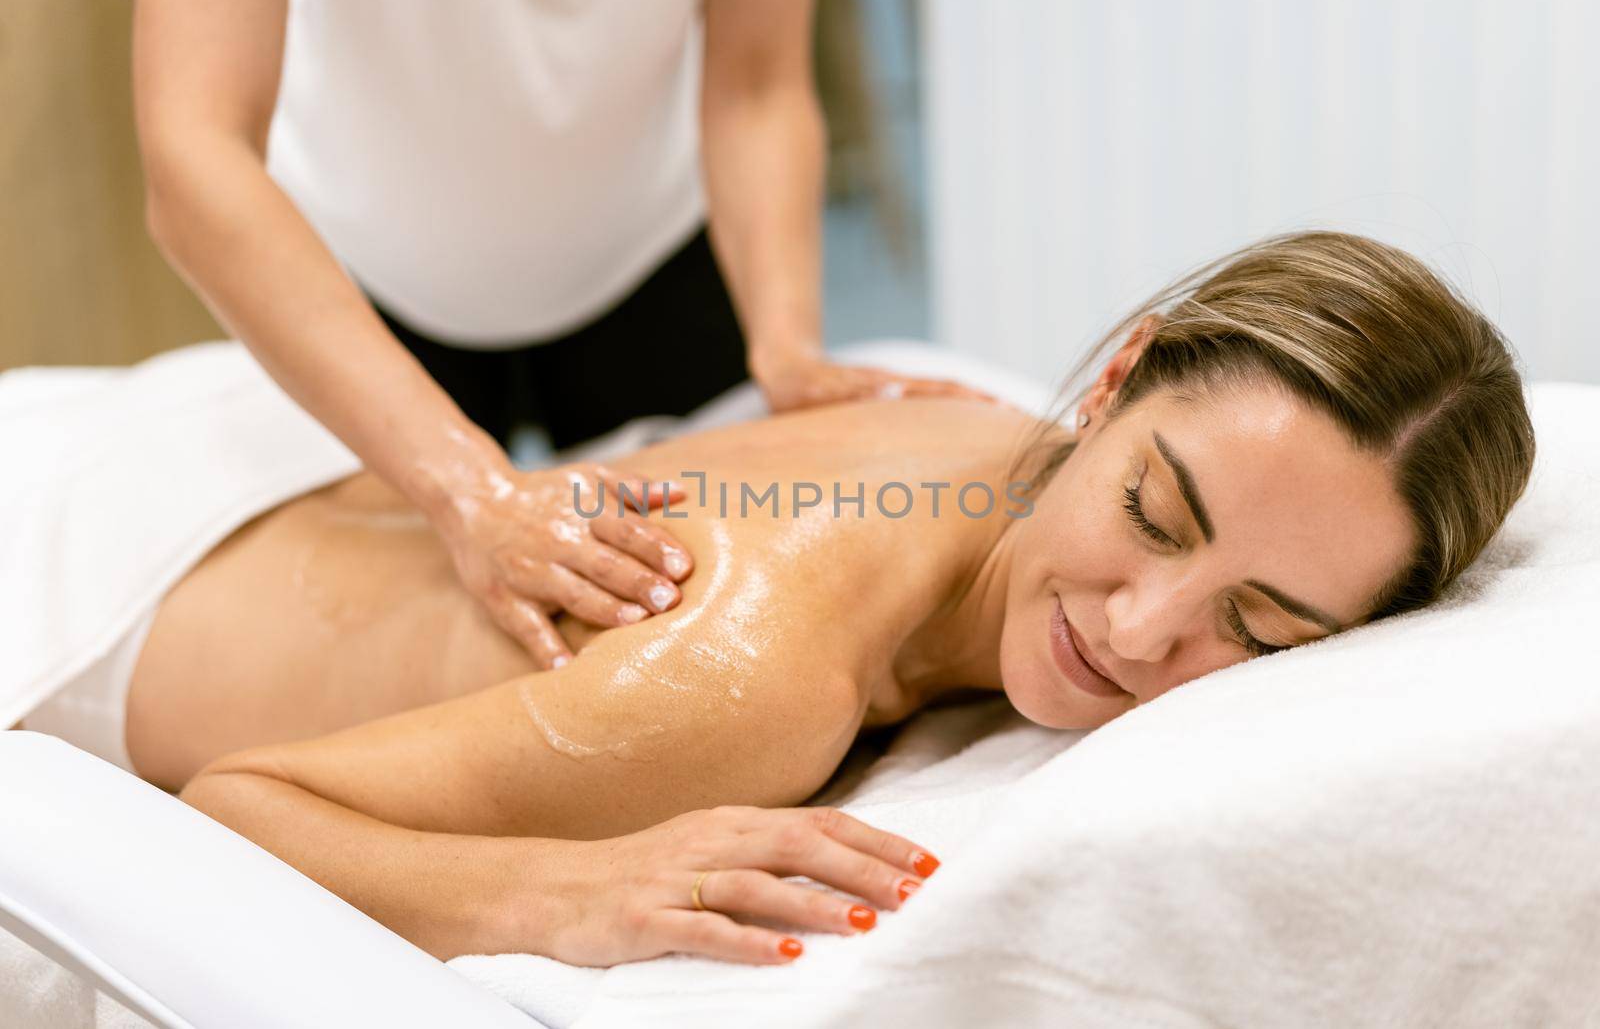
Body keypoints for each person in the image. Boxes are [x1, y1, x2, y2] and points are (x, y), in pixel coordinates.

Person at [31, 232, 1535, 968]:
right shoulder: (751, 677)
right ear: (1118, 374)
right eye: (1151, 511)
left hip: (216, 475)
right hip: (81, 592)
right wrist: (560, 892)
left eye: (1261, 629)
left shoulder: (977, 439)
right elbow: (237, 802)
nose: (1144, 632)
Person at [131, 0, 992, 671]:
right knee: (391, 658)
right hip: (362, 276)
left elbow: (756, 86)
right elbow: (192, 150)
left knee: (707, 611)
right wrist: (469, 488)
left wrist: (787, 341)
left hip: (648, 248)